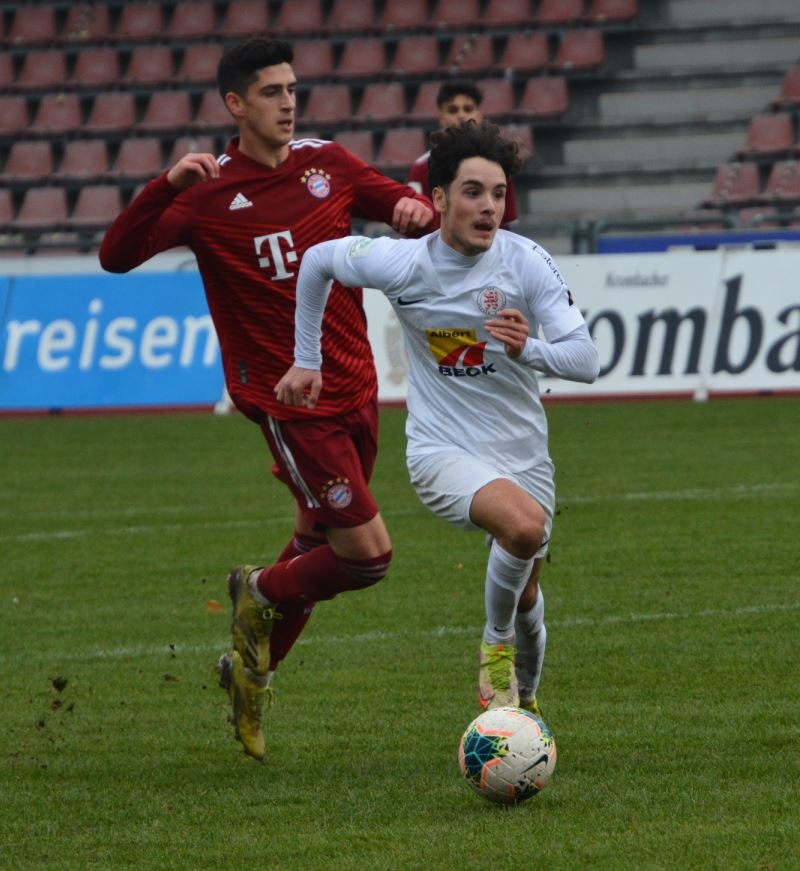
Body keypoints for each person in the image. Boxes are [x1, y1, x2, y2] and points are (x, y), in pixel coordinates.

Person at [99, 37, 434, 761]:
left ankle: (251, 672)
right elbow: (116, 255)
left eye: (291, 89)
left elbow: (401, 205)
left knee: (317, 542)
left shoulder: (329, 164)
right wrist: (164, 186)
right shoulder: (206, 192)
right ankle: (256, 587)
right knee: (367, 555)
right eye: (272, 92)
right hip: (289, 402)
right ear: (235, 105)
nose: (287, 102)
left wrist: (411, 210)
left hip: (357, 386)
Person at [277, 120, 599, 716]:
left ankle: (520, 713)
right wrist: (306, 360)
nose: (489, 208)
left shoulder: (526, 262)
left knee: (527, 588)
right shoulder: (403, 264)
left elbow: (586, 360)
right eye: (473, 192)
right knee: (524, 530)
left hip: (522, 453)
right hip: (441, 451)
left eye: (499, 194)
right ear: (439, 199)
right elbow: (319, 261)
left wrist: (531, 350)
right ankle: (493, 647)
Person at [408, 79, 520, 231]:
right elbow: (415, 224)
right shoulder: (421, 167)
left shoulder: (498, 163)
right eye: (453, 110)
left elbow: (506, 225)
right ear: (441, 118)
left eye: (467, 109)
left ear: (479, 115)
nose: (461, 115)